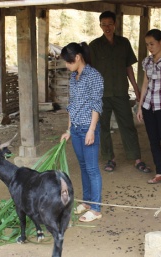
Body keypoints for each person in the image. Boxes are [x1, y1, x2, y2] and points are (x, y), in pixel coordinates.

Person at [89, 10, 150, 173]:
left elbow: (128, 67)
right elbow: (90, 72)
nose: (107, 27)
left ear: (115, 25)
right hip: (101, 95)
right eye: (104, 24)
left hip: (121, 93)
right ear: (100, 25)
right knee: (103, 127)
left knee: (128, 126)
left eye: (110, 24)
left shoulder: (124, 43)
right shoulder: (94, 46)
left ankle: (137, 159)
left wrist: (136, 89)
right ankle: (110, 158)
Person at [60, 42, 104, 222]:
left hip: (88, 128)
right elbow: (72, 104)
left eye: (68, 62)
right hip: (77, 129)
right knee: (83, 166)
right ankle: (87, 202)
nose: (66, 65)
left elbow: (96, 105)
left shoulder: (94, 76)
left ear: (77, 58)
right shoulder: (73, 77)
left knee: (92, 168)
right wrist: (69, 129)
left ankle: (96, 208)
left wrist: (92, 130)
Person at [136, 29, 161, 184]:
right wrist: (140, 106)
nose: (150, 47)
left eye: (152, 43)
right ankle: (160, 172)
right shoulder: (147, 62)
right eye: (147, 44)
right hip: (149, 105)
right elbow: (145, 84)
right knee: (153, 140)